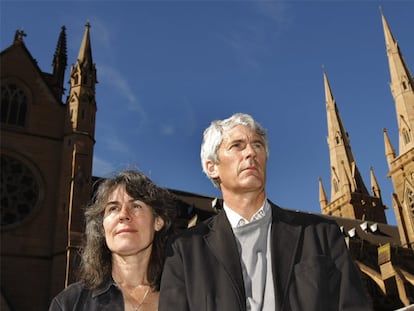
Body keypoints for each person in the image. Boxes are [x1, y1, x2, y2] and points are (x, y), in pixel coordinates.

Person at [159, 113, 371, 311]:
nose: (251, 152)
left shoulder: (321, 234)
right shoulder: (184, 252)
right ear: (212, 167)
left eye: (257, 145)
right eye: (237, 146)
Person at [49, 170, 177, 311]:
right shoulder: (69, 303)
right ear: (103, 228)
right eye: (113, 208)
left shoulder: (187, 298)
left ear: (158, 221)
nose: (123, 215)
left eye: (136, 206)